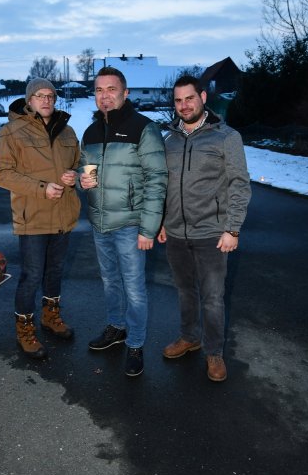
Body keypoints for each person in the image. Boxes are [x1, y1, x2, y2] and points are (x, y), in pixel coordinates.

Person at [157, 75, 251, 382]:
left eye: (189, 98)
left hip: (212, 232)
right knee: (185, 292)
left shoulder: (226, 137)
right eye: (178, 100)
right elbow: (163, 186)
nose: (184, 105)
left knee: (212, 298)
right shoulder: (168, 139)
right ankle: (189, 337)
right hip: (175, 233)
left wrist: (233, 229)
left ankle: (214, 353)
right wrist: (161, 222)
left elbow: (239, 184)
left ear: (203, 98)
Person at [79, 66, 168, 377]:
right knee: (110, 281)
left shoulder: (144, 128)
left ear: (125, 92)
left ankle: (136, 344)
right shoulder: (90, 132)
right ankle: (116, 328)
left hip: (131, 225)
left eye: (111, 89)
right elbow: (85, 170)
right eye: (99, 90)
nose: (105, 96)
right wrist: (83, 181)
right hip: (99, 222)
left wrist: (149, 228)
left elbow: (157, 181)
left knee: (134, 288)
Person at [0, 78, 81, 359]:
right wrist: (41, 188)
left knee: (55, 271)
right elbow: (1, 173)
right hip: (33, 217)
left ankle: (50, 317)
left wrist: (73, 175)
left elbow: (76, 164)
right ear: (29, 100)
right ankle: (24, 329)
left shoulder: (67, 131)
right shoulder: (11, 132)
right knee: (31, 276)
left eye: (50, 96)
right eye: (39, 96)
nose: (46, 101)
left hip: (63, 214)